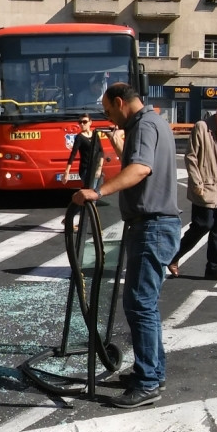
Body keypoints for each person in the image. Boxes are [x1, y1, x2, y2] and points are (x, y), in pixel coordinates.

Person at [72, 82, 180, 409]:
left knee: (139, 303)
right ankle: (152, 372)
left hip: (153, 224)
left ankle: (147, 382)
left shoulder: (145, 125)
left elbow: (140, 169)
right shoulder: (154, 122)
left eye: (108, 111)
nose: (108, 118)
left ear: (120, 102)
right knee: (143, 303)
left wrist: (98, 192)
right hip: (154, 224)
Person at [167, 96, 217, 282]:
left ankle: (214, 269)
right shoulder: (202, 127)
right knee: (202, 225)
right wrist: (196, 182)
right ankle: (173, 257)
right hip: (205, 185)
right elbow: (191, 156)